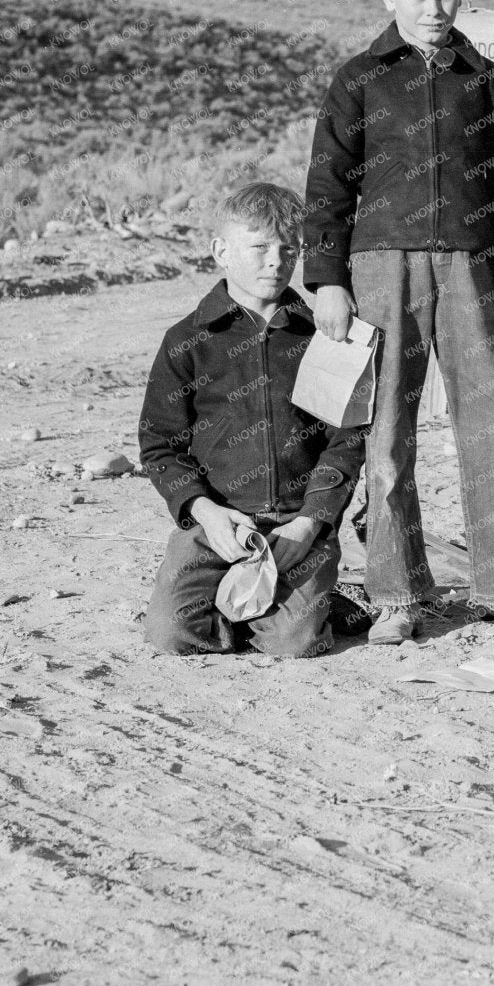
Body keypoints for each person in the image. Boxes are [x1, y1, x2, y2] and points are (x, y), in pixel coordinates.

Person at [302, 0, 494, 644]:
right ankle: (397, 596)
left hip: (471, 268)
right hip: (378, 270)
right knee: (383, 435)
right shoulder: (358, 78)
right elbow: (327, 188)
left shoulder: (483, 80)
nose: (434, 6)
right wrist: (327, 281)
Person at [139, 181, 364, 658]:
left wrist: (309, 522)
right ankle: (259, 603)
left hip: (292, 523)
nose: (275, 261)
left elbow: (345, 441)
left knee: (293, 644)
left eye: (289, 248)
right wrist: (205, 512)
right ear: (221, 250)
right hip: (216, 523)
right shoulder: (187, 340)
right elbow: (159, 445)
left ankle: (300, 603)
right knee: (170, 635)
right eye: (259, 246)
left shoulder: (322, 337)